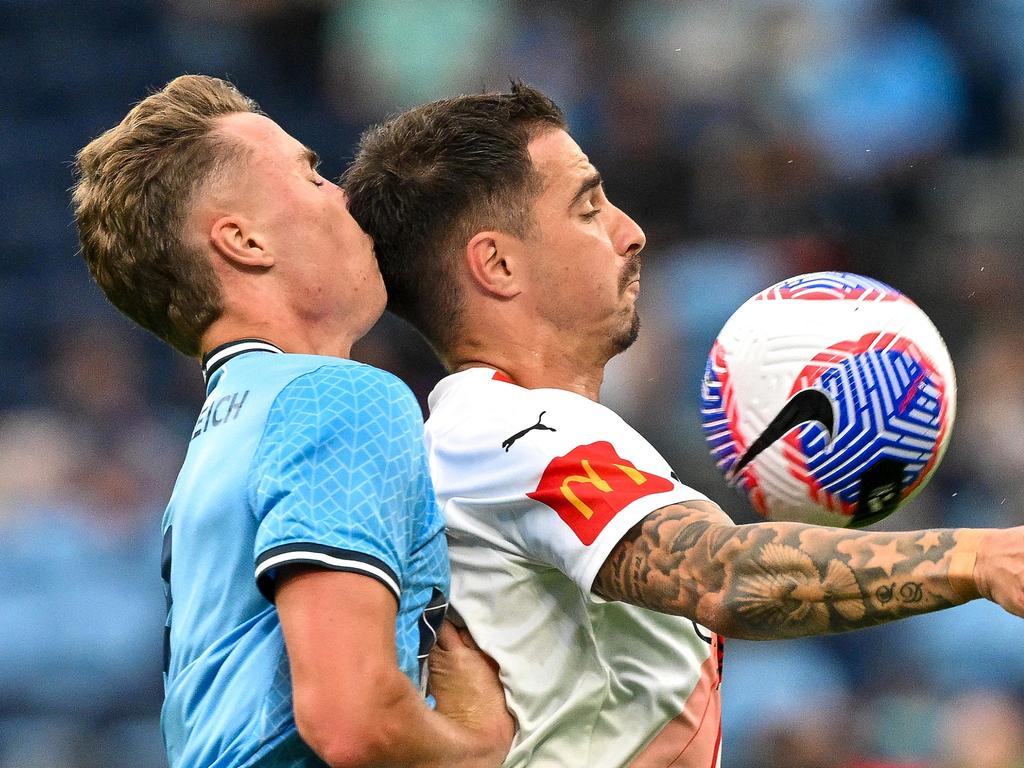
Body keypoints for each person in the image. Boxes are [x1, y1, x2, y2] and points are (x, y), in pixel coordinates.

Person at [342, 82, 1024, 768]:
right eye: (588, 208)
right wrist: (978, 559)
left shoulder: (508, 435)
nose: (630, 230)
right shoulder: (504, 432)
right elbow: (721, 578)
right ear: (498, 264)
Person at [71, 75, 513, 768]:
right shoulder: (337, 397)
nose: (346, 197)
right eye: (312, 176)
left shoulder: (222, 434)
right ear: (244, 240)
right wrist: (480, 748)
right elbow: (350, 720)